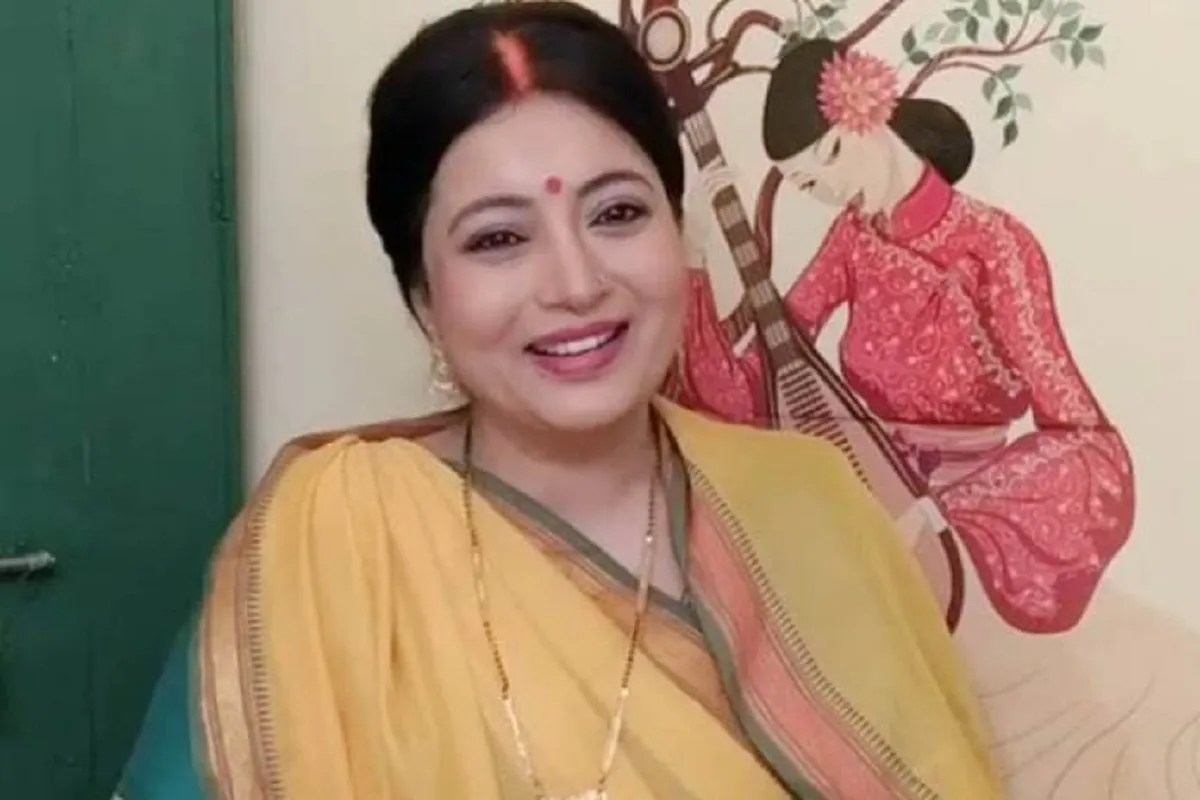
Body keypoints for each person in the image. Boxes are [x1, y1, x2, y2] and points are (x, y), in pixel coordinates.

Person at [117, 5, 1000, 798]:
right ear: (425, 297)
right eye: (499, 238)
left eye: (616, 214)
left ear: (679, 232)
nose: (575, 284)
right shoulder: (334, 545)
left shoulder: (815, 506)